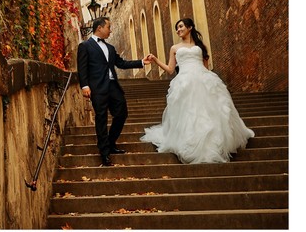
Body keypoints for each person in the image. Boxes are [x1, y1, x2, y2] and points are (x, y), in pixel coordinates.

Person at [141, 18, 254, 164]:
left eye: (181, 26)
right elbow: (170, 70)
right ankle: (192, 142)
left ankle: (214, 143)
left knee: (209, 111)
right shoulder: (175, 48)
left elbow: (205, 66)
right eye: (177, 28)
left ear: (190, 28)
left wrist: (208, 81)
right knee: (190, 113)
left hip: (202, 79)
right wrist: (155, 60)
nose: (178, 30)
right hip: (185, 82)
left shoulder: (200, 46)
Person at [78, 16, 153, 166]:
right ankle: (104, 153)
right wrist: (85, 86)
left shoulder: (110, 48)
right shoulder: (85, 46)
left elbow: (121, 63)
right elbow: (82, 68)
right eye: (108, 27)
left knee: (121, 114)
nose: (110, 31)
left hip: (113, 86)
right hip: (97, 88)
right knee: (101, 118)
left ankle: (110, 143)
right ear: (99, 28)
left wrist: (141, 62)